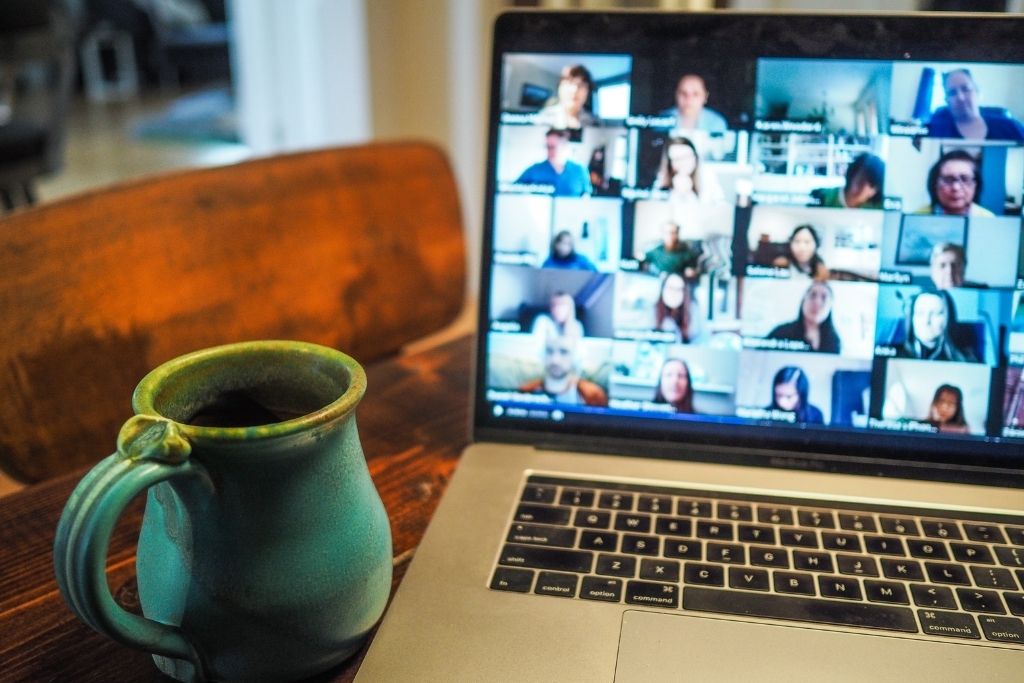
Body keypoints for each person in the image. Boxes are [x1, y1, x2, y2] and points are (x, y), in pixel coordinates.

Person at [927, 68, 1024, 142]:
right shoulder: (935, 132)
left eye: (966, 89)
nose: (961, 97)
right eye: (952, 93)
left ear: (977, 92)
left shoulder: (1009, 126)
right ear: (947, 101)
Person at [518, 333, 608, 406]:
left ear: (575, 357)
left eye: (563, 352)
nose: (555, 360)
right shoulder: (526, 391)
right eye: (549, 351)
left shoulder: (593, 395)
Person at [897, 290, 978, 362]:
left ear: (948, 318)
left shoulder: (965, 359)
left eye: (936, 313)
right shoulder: (894, 354)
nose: (926, 321)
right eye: (920, 313)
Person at [767, 281, 841, 353]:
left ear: (830, 306)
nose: (817, 302)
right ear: (803, 300)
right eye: (813, 295)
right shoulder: (780, 333)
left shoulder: (834, 341)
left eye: (824, 298)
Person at [914, 150, 994, 217]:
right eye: (948, 179)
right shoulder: (917, 217)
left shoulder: (987, 219)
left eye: (965, 179)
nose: (956, 187)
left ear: (976, 185)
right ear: (935, 184)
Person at [515, 128, 592, 197]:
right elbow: (513, 190)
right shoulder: (534, 170)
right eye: (547, 146)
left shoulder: (580, 170)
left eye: (552, 147)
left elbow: (586, 196)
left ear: (564, 145)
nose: (548, 150)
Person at [653, 136, 724, 204]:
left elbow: (721, 208)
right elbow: (655, 208)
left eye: (686, 157)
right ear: (670, 163)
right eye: (677, 159)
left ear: (695, 157)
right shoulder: (662, 180)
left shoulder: (708, 177)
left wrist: (688, 194)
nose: (683, 163)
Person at [809, 153, 885, 209]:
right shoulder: (823, 197)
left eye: (871, 184)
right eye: (861, 178)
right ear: (852, 174)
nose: (863, 187)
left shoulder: (877, 209)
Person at [659, 74, 728, 132]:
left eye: (695, 94)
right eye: (683, 93)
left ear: (705, 97)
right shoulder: (661, 120)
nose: (688, 99)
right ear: (676, 95)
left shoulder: (716, 122)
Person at [536, 64, 596, 130]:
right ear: (559, 88)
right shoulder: (543, 118)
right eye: (570, 83)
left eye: (581, 85)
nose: (574, 90)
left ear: (588, 92)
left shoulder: (594, 122)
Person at [655, 273, 696, 343]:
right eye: (670, 288)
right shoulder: (653, 312)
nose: (673, 293)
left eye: (678, 289)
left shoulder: (693, 312)